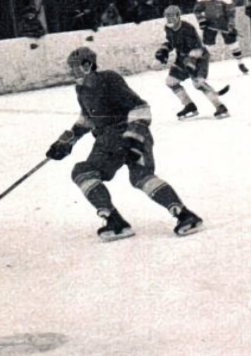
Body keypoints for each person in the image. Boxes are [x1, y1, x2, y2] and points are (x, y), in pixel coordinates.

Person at [45, 47, 203, 241]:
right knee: (88, 173)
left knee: (139, 176)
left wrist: (133, 139)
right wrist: (66, 141)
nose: (71, 72)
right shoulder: (81, 88)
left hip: (130, 133)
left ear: (87, 66)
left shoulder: (108, 79)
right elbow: (87, 118)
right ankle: (116, 220)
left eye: (74, 67)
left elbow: (140, 106)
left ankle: (182, 215)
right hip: (108, 139)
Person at [155, 5, 229, 120]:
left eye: (172, 16)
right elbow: (171, 43)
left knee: (198, 83)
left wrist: (191, 64)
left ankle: (220, 106)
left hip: (199, 57)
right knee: (171, 81)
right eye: (167, 16)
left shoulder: (187, 28)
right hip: (182, 58)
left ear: (178, 16)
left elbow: (196, 48)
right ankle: (189, 106)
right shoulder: (168, 28)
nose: (169, 19)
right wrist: (163, 50)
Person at [194, 0, 249, 75]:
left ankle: (241, 63)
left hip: (223, 23)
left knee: (233, 44)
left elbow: (231, 14)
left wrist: (231, 26)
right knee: (207, 47)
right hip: (210, 24)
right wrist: (202, 21)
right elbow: (197, 11)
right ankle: (201, 69)